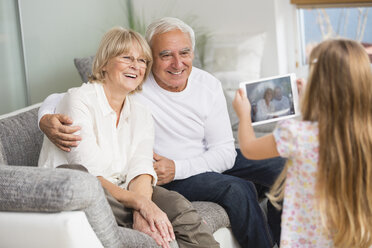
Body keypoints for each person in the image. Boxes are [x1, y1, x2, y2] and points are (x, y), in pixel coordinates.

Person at [38, 17, 285, 248]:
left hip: (193, 162)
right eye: (165, 55)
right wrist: (45, 118)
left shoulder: (206, 85)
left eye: (184, 53)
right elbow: (69, 97)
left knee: (284, 167)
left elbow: (224, 151)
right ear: (153, 58)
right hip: (166, 175)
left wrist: (179, 166)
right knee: (239, 189)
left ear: (192, 53)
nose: (177, 64)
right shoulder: (135, 85)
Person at [232, 39, 372, 247]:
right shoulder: (366, 136)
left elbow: (249, 148)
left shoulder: (296, 134)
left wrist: (244, 115)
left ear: (318, 83)